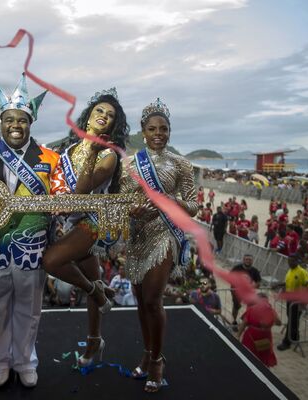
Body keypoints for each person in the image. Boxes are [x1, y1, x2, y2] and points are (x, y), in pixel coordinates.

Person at [0, 74, 68, 388]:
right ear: (1, 121)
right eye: (9, 119)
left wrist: (62, 205)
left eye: (21, 120)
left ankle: (25, 362)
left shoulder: (51, 159)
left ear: (30, 122)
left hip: (33, 249)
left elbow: (62, 194)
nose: (15, 125)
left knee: (29, 311)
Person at [41, 88, 129, 367]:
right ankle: (94, 342)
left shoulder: (109, 155)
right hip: (69, 222)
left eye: (111, 115)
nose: (104, 116)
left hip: (94, 221)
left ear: (115, 125)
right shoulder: (67, 150)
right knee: (93, 276)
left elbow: (80, 194)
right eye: (100, 110)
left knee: (51, 261)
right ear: (89, 115)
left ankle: (96, 291)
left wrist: (92, 153)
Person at [117, 98, 198, 392]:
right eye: (152, 128)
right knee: (141, 301)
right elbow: (123, 201)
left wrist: (170, 200)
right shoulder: (130, 164)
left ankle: (158, 359)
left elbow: (193, 207)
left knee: (153, 299)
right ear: (143, 130)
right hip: (138, 236)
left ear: (170, 131)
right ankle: (147, 353)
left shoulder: (182, 165)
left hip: (165, 233)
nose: (158, 133)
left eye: (163, 128)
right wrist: (131, 210)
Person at [277, 254, 308, 351]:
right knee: (292, 319)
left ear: (297, 261)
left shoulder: (302, 272)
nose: (290, 263)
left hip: (297, 301)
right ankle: (295, 336)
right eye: (289, 261)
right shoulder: (290, 271)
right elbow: (287, 283)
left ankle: (286, 342)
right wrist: (279, 284)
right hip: (290, 299)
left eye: (292, 261)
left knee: (292, 321)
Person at [238, 293, 281, 368]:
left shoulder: (252, 309)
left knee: (249, 355)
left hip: (252, 335)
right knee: (264, 356)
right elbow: (279, 323)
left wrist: (238, 335)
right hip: (266, 335)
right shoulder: (270, 310)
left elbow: (244, 323)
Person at [230, 255, 261, 328]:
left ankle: (246, 320)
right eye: (246, 259)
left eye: (250, 260)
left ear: (252, 261)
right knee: (236, 306)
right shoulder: (237, 268)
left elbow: (258, 283)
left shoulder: (255, 271)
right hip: (236, 290)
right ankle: (234, 321)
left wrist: (252, 286)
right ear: (243, 260)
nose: (248, 261)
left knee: (252, 306)